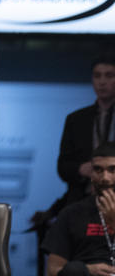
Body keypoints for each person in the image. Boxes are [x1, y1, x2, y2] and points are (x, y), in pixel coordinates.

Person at [43, 142, 115, 276]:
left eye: (112, 170)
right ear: (91, 174)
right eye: (98, 170)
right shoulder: (71, 214)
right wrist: (87, 270)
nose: (105, 177)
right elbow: (52, 271)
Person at [58, 58, 115, 206]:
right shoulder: (76, 119)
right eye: (97, 76)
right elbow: (62, 166)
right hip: (82, 198)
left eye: (109, 75)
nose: (102, 82)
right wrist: (80, 169)